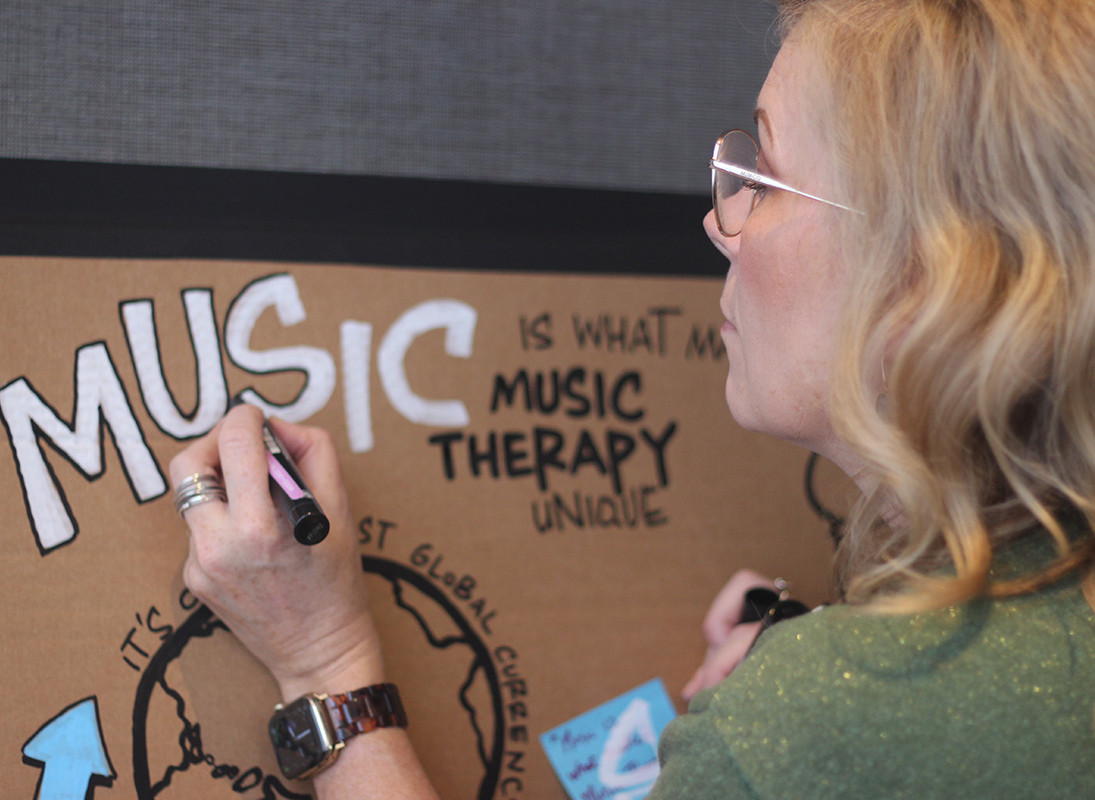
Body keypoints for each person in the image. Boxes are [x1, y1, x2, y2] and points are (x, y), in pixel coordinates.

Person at [169, 0, 1095, 796]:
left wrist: (327, 664)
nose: (719, 223)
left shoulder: (821, 717)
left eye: (766, 180)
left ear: (924, 286)